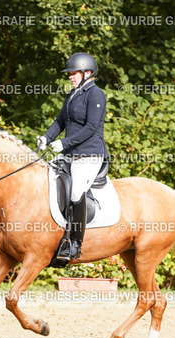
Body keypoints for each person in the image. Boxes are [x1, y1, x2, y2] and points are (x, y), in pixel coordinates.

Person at [37, 52, 108, 261]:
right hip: (69, 154)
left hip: (88, 155)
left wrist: (64, 143)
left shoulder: (96, 95)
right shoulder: (73, 94)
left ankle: (75, 243)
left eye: (74, 73)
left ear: (87, 73)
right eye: (69, 73)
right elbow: (60, 121)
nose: (70, 76)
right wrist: (47, 138)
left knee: (76, 192)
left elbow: (91, 127)